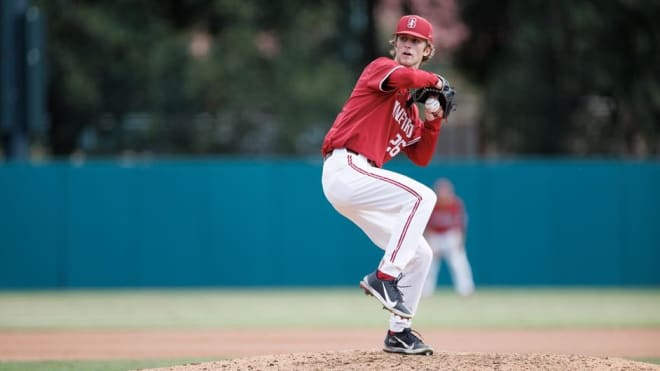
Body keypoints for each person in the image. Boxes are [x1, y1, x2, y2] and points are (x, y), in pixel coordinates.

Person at [321, 15, 449, 355]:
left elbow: (420, 156)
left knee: (421, 253)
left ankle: (398, 333)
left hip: (359, 186)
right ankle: (385, 276)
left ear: (427, 49)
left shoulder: (411, 110)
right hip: (346, 165)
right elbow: (407, 77)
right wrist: (436, 81)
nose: (407, 45)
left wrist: (434, 122)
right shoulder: (381, 70)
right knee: (424, 195)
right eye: (402, 39)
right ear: (395, 45)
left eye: (415, 41)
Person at [422, 178, 475, 297]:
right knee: (429, 264)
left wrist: (459, 240)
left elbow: (460, 225)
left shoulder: (456, 203)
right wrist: (428, 241)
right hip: (434, 235)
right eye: (440, 192)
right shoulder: (432, 203)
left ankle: (465, 290)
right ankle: (425, 291)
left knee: (459, 262)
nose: (443, 195)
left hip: (450, 235)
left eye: (446, 192)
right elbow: (426, 224)